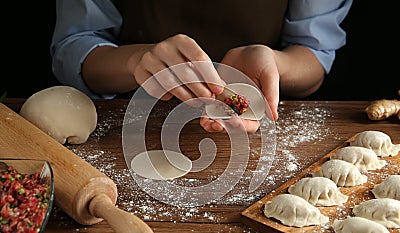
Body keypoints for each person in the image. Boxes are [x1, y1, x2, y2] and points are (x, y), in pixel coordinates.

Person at [51, 0, 353, 133]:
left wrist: (274, 62)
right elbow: (76, 43)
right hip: (125, 124)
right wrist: (136, 61)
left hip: (251, 128)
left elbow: (314, 52)